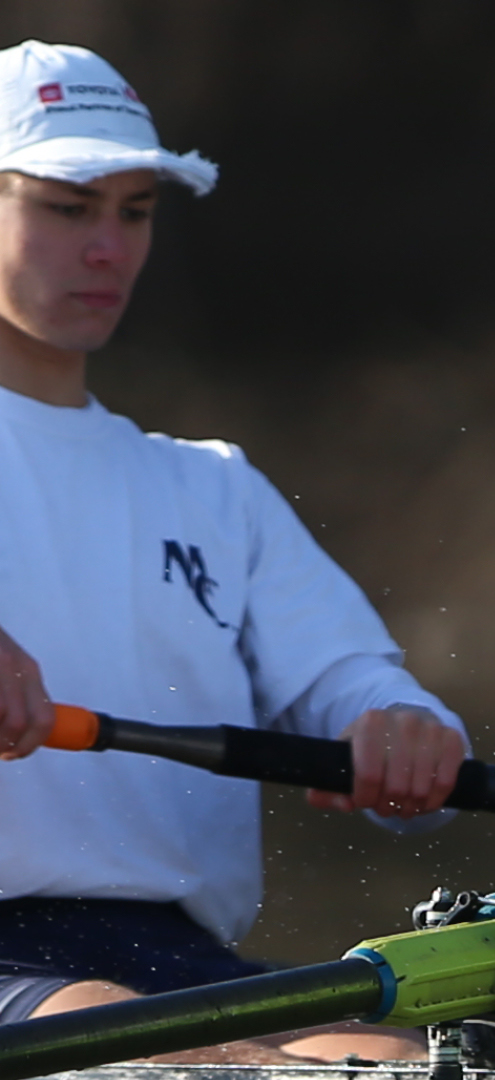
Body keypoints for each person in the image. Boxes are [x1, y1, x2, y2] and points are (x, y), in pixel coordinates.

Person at [0, 40, 467, 1063]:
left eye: (135, 213)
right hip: (16, 974)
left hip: (181, 959)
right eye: (68, 207)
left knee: (406, 1065)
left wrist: (403, 730)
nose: (108, 249)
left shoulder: (211, 484)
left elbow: (355, 682)